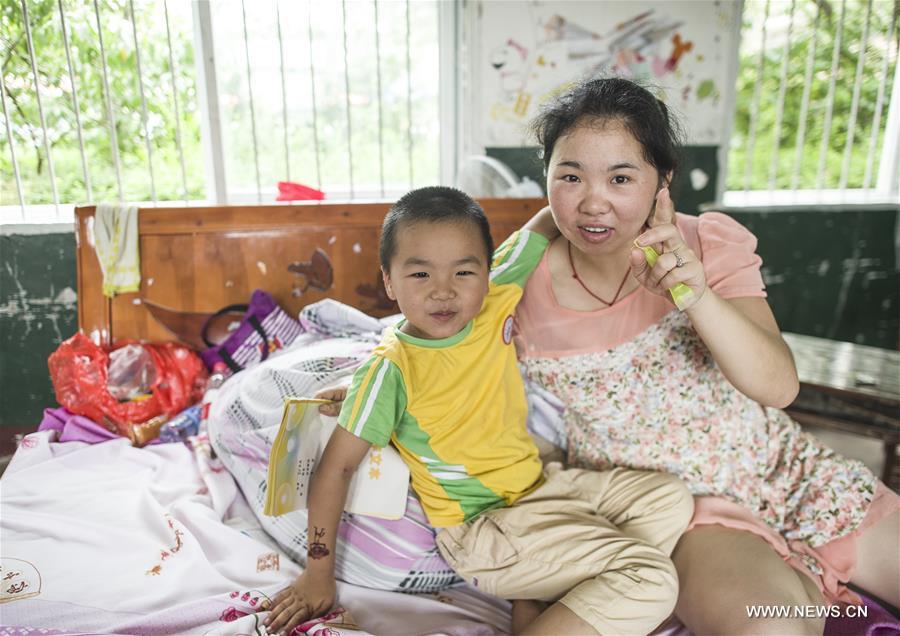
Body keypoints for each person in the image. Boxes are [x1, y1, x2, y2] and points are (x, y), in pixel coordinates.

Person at [513, 77, 900, 635]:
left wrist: (694, 294)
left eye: (621, 177)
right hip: (678, 511)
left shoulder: (707, 244)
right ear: (545, 176)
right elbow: (432, 335)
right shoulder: (517, 284)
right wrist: (531, 233)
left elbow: (778, 387)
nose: (593, 202)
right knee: (776, 627)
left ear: (661, 182)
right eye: (569, 176)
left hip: (783, 470)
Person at [264, 186, 695, 636]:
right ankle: (553, 599)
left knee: (670, 501)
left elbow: (549, 219)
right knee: (653, 579)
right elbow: (334, 470)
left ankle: (543, 599)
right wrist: (318, 573)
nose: (443, 291)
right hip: (483, 528)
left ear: (488, 272)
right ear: (389, 282)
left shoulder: (498, 293)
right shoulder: (391, 370)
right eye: (419, 276)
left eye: (464, 272)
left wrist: (638, 215)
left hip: (541, 489)